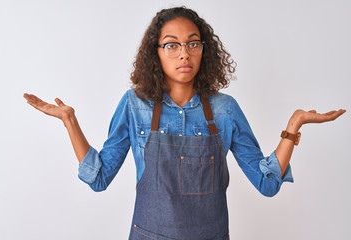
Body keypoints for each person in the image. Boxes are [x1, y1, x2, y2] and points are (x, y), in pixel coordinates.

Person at [23, 6, 345, 240]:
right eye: (172, 44)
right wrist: (70, 122)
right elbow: (99, 177)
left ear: (204, 51)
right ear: (157, 52)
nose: (183, 54)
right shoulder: (134, 105)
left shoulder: (225, 110)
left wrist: (294, 124)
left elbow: (268, 184)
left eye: (193, 43)